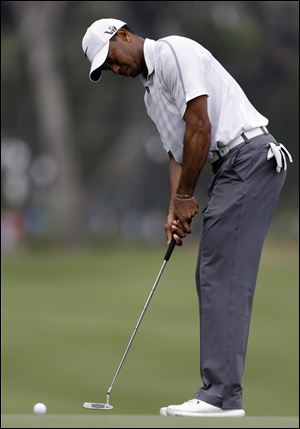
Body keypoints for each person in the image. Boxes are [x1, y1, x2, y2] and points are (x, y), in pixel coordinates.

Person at [82, 18, 292, 417]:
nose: (115, 69)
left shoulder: (174, 52)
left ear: (123, 36)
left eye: (111, 58)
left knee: (221, 271)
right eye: (106, 68)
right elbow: (178, 152)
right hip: (232, 168)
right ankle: (221, 392)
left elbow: (200, 124)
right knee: (211, 272)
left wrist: (185, 197)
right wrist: (173, 209)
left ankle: (221, 396)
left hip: (249, 157)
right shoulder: (150, 95)